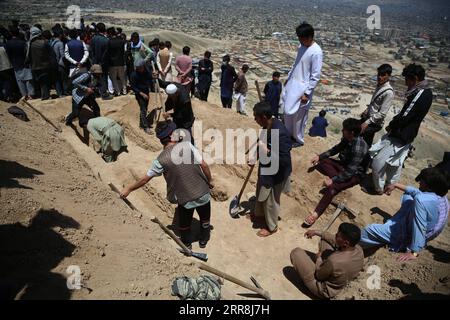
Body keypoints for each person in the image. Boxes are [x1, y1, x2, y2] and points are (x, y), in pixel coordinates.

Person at [120, 121, 214, 249]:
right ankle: (204, 240)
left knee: (184, 223)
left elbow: (145, 179)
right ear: (171, 136)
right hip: (202, 192)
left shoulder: (160, 160)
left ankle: (187, 243)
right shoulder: (187, 146)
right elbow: (204, 165)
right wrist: (210, 181)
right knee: (205, 219)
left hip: (184, 198)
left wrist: (129, 189)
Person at [360, 168, 449, 262]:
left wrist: (414, 252)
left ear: (429, 186)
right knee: (408, 194)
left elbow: (420, 226)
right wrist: (395, 185)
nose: (419, 182)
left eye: (422, 181)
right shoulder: (441, 197)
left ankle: (354, 245)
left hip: (409, 234)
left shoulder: (422, 201)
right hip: (423, 225)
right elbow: (416, 192)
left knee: (370, 230)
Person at [370, 64, 432, 195]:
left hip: (401, 134)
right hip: (405, 134)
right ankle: (389, 187)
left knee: (377, 163)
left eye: (407, 80)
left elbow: (405, 115)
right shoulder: (425, 92)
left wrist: (392, 124)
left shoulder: (420, 93)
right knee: (394, 165)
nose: (405, 83)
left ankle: (378, 188)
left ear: (414, 78)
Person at [306, 118, 368, 227]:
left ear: (351, 132)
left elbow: (350, 172)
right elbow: (335, 149)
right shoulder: (347, 139)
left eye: (344, 129)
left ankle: (316, 213)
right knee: (322, 161)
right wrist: (319, 156)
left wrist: (333, 180)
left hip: (354, 174)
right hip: (343, 166)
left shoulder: (359, 147)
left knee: (333, 187)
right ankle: (337, 178)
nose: (342, 130)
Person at [249, 102, 292, 237]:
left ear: (263, 117)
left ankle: (271, 226)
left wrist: (266, 151)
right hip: (266, 169)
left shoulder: (281, 133)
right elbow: (261, 143)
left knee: (271, 201)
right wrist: (254, 157)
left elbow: (284, 160)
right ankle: (259, 215)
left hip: (276, 174)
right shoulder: (266, 126)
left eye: (256, 117)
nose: (254, 119)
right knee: (260, 192)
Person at [290, 223, 364, 299]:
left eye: (338, 235)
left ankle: (307, 287)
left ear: (346, 243)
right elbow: (332, 238)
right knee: (325, 240)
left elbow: (319, 276)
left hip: (323, 289)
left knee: (296, 253)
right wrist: (316, 232)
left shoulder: (334, 261)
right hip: (339, 276)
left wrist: (319, 258)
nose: (335, 235)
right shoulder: (358, 249)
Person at [280, 23, 323, 148]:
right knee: (287, 111)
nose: (299, 40)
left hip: (303, 88)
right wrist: (289, 77)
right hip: (293, 84)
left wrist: (307, 93)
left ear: (309, 37)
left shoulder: (316, 52)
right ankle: (288, 135)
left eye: (301, 38)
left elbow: (315, 75)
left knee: (299, 116)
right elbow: (296, 64)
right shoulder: (302, 46)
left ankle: (298, 139)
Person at [360, 64, 395, 147]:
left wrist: (367, 122)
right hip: (369, 118)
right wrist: (367, 110)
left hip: (374, 123)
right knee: (364, 141)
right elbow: (375, 104)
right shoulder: (379, 86)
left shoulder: (389, 92)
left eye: (383, 75)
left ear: (389, 76)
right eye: (379, 74)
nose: (380, 77)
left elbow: (382, 113)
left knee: (361, 140)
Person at [5, 27, 35, 100]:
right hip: (25, 63)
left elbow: (8, 54)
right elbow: (27, 53)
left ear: (11, 33)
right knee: (28, 79)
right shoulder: (23, 42)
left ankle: (24, 95)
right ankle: (31, 94)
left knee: (20, 80)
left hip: (15, 63)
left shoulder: (8, 43)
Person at [27, 26, 53, 100]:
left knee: (40, 82)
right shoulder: (44, 43)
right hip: (45, 66)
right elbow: (50, 54)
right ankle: (45, 96)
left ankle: (42, 95)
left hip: (34, 66)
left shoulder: (29, 44)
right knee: (45, 82)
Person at [130, 58, 153, 134]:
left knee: (145, 108)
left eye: (140, 68)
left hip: (146, 92)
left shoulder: (146, 72)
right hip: (139, 94)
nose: (139, 69)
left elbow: (150, 78)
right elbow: (133, 87)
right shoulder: (134, 75)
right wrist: (142, 94)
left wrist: (154, 76)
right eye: (138, 68)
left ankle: (141, 123)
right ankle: (145, 127)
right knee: (143, 109)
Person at [89, 23, 111, 100]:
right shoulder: (106, 40)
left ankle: (95, 93)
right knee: (104, 77)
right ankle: (104, 94)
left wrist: (93, 61)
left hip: (95, 62)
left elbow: (90, 51)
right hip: (103, 63)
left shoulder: (93, 39)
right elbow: (107, 54)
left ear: (97, 29)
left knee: (95, 78)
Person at [105, 27, 127, 96]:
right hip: (121, 62)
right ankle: (124, 91)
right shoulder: (121, 41)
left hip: (112, 63)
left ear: (110, 33)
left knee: (113, 78)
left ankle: (117, 92)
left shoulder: (109, 42)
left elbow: (107, 53)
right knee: (122, 77)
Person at [50, 28, 69, 97]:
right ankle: (65, 92)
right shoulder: (60, 43)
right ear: (60, 35)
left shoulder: (52, 42)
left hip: (53, 64)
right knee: (64, 79)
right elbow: (62, 55)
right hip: (60, 64)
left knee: (57, 79)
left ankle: (59, 93)